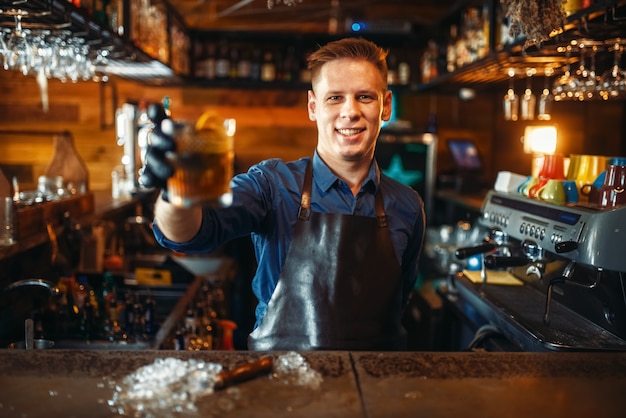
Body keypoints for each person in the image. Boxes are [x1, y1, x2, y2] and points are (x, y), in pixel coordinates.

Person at [140, 37, 426, 351]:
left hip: (376, 389)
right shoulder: (271, 184)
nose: (350, 111)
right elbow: (191, 233)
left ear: (385, 106)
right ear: (313, 107)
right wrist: (175, 192)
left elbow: (400, 299)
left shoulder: (408, 206)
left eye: (364, 97)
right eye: (334, 98)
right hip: (281, 385)